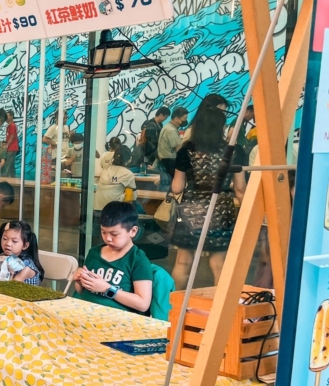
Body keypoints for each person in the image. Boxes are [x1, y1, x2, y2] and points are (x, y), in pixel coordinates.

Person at [170, 94, 247, 290]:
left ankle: (174, 308)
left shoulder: (185, 150)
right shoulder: (235, 151)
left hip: (190, 209)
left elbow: (177, 188)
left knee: (183, 262)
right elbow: (240, 189)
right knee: (218, 264)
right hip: (220, 210)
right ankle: (216, 314)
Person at [73, 201, 153, 314]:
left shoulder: (137, 259)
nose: (108, 238)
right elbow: (81, 292)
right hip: (86, 312)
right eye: (103, 232)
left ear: (133, 231)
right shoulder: (94, 253)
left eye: (114, 234)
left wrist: (107, 289)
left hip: (116, 319)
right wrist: (80, 281)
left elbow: (143, 304)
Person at [0, 220, 44, 285]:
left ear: (25, 246)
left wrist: (11, 275)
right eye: (5, 239)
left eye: (14, 241)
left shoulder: (26, 267)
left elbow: (11, 288)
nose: (8, 244)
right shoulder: (3, 257)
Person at [94, 144, 138, 210]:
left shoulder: (105, 170)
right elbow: (134, 197)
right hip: (113, 212)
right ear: (129, 159)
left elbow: (113, 179)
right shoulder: (128, 174)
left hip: (97, 209)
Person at [157, 106, 188, 177]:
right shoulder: (171, 130)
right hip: (170, 163)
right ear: (176, 119)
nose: (185, 121)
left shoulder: (167, 127)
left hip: (164, 162)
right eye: (184, 119)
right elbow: (179, 149)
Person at [41, 113, 60, 183]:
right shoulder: (53, 128)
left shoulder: (66, 127)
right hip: (56, 156)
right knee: (54, 179)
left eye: (66, 117)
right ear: (56, 118)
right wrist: (55, 143)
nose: (65, 119)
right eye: (63, 118)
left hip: (65, 156)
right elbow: (45, 139)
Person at [2, 110, 19, 177]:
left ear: (11, 117)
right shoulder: (9, 126)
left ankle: (5, 177)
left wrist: (7, 145)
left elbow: (12, 136)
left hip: (12, 147)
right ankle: (13, 177)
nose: (6, 117)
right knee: (11, 164)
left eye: (7, 116)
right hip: (12, 147)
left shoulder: (12, 126)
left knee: (8, 164)